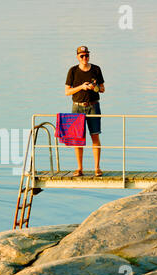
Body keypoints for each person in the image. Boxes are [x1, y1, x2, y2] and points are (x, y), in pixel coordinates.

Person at [65, 45, 105, 177]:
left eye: (86, 55)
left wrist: (95, 87)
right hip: (77, 107)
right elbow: (67, 91)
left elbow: (103, 89)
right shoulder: (73, 71)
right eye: (82, 56)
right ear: (77, 57)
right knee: (78, 139)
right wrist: (82, 87)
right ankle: (79, 168)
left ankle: (97, 168)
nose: (84, 58)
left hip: (93, 106)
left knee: (95, 136)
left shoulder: (96, 69)